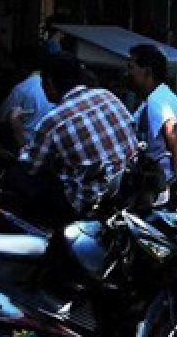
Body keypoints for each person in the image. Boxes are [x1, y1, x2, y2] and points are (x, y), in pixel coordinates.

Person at [19, 52, 138, 220]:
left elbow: (30, 167)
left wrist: (17, 128)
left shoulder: (52, 121)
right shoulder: (108, 95)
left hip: (88, 204)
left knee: (20, 179)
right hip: (125, 191)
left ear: (50, 83)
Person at [128, 43, 177, 184]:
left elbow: (173, 128)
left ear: (147, 72)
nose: (128, 73)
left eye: (132, 68)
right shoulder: (159, 95)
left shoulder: (157, 99)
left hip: (172, 181)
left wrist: (176, 179)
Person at [0, 47, 54, 148]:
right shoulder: (52, 84)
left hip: (25, 144)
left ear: (23, 66)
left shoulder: (22, 88)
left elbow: (0, 117)